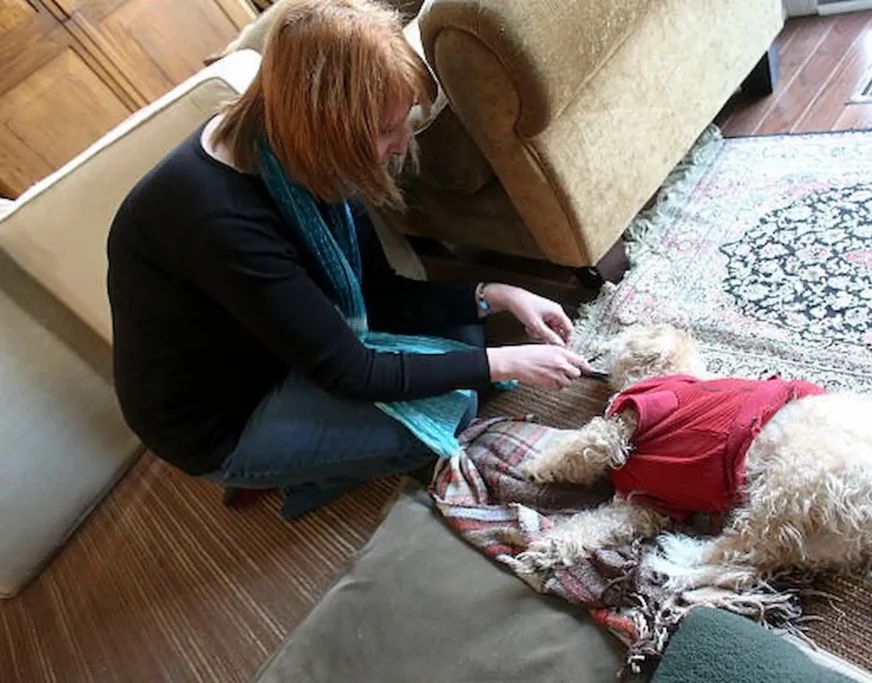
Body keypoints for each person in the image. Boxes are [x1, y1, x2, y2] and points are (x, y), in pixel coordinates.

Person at [106, 0, 591, 520]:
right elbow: (349, 370)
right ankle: (290, 474)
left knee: (466, 337)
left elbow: (382, 295)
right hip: (226, 417)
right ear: (329, 127)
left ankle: (314, 447)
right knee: (457, 401)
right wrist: (502, 361)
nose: (401, 144)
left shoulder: (297, 152)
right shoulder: (216, 223)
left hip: (287, 347)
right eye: (386, 130)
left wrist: (492, 294)